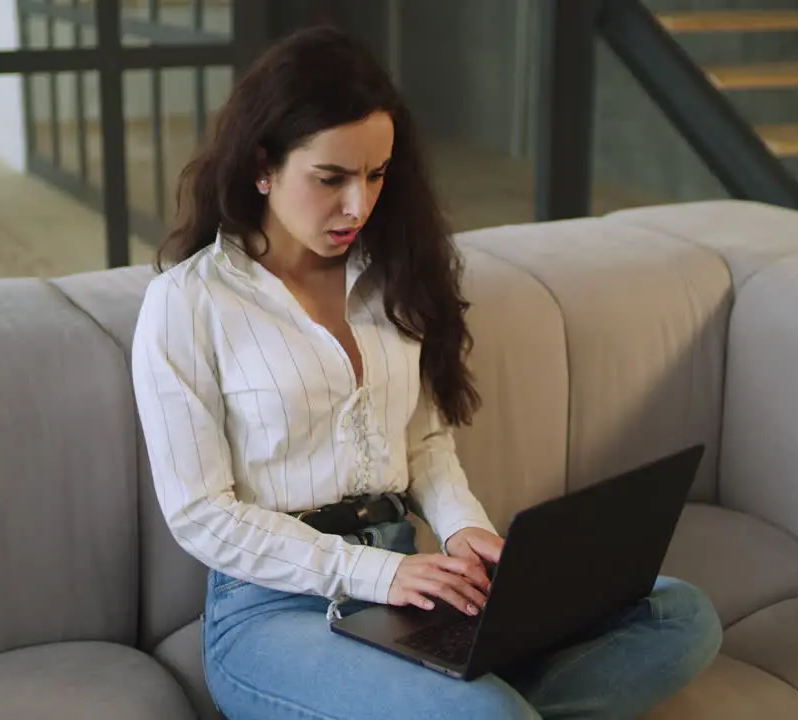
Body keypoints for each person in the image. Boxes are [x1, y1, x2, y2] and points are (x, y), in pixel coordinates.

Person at [130, 24, 721, 720]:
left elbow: (423, 444)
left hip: (414, 582)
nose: (359, 204)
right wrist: (380, 573)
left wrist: (465, 531)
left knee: (680, 616)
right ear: (263, 165)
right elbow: (202, 515)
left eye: (376, 175)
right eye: (332, 178)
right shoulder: (189, 303)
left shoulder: (391, 279)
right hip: (274, 612)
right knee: (488, 715)